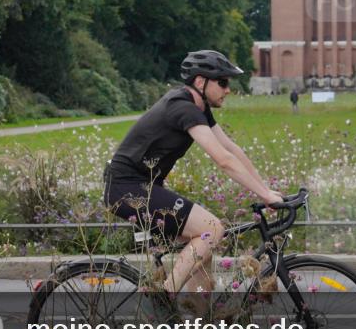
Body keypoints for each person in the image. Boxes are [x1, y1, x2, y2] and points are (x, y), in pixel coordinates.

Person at [102, 50, 283, 303]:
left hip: (142, 186)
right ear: (200, 81)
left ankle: (197, 322)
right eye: (223, 82)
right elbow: (223, 159)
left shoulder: (198, 107)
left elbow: (232, 149)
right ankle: (164, 296)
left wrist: (266, 191)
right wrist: (264, 195)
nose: (228, 89)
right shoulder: (183, 108)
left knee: (203, 263)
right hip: (127, 188)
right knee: (212, 229)